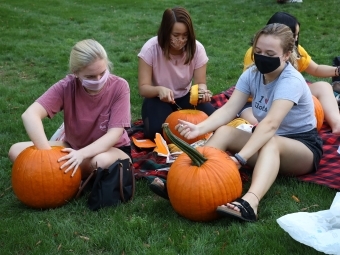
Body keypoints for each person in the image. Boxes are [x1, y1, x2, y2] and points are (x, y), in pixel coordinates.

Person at [151, 23, 323, 222]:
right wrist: (200, 128)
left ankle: (250, 203)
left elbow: (271, 125)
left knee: (271, 141)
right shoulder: (252, 74)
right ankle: (183, 181)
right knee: (225, 131)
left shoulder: (290, 80)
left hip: (302, 149)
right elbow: (229, 109)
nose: (262, 57)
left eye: (269, 53)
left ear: (286, 55)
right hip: (267, 141)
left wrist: (241, 158)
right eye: (258, 51)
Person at [8, 39, 131, 179]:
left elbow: (114, 135)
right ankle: (62, 174)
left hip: (111, 150)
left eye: (102, 73)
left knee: (99, 162)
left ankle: (59, 175)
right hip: (72, 147)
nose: (98, 80)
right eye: (90, 76)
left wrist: (81, 154)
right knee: (15, 151)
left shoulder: (120, 86)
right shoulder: (66, 86)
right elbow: (30, 115)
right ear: (76, 73)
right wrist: (46, 156)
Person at [241, 11, 340, 134]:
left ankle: (337, 124)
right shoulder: (256, 59)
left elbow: (315, 68)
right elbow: (250, 86)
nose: (296, 38)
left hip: (288, 100)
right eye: (294, 34)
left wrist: (337, 70)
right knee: (255, 121)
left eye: (297, 35)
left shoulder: (296, 52)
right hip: (257, 102)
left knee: (323, 87)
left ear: (287, 55)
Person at [137, 6, 216, 139]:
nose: (181, 40)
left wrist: (202, 92)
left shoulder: (197, 49)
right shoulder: (150, 49)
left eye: (185, 36)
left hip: (186, 96)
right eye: (176, 35)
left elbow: (200, 82)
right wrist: (159, 90)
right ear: (165, 32)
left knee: (214, 122)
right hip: (158, 98)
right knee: (155, 133)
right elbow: (143, 88)